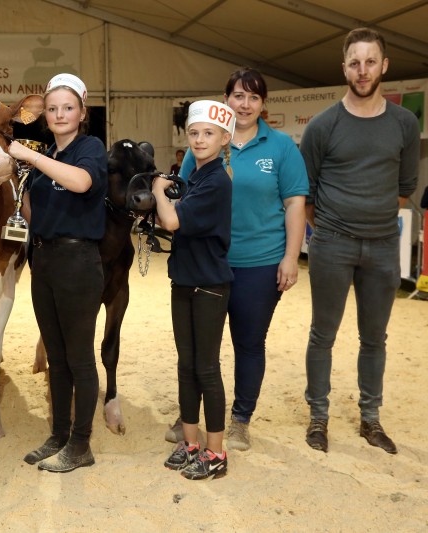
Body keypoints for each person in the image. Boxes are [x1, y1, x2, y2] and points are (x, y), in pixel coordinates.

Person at [175, 68, 308, 451]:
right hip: (207, 263)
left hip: (259, 263)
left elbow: (295, 204)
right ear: (226, 100)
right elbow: (184, 196)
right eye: (237, 95)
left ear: (263, 103)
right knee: (202, 347)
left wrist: (290, 258)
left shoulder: (282, 147)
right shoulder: (204, 144)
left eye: (253, 97)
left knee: (248, 343)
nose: (244, 103)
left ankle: (240, 421)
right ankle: (192, 415)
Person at [300, 27, 419, 455]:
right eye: (355, 62)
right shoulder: (322, 125)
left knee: (375, 338)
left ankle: (371, 419)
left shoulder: (405, 123)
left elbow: (405, 186)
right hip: (333, 243)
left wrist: (372, 220)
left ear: (384, 66)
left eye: (371, 61)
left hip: (384, 244)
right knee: (323, 334)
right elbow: (306, 192)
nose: (363, 70)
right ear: (344, 67)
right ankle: (318, 418)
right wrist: (335, 227)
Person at [8, 73, 107, 473]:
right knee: (56, 357)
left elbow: (82, 183)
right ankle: (59, 433)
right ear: (44, 116)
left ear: (82, 112)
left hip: (79, 262)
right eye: (52, 109)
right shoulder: (50, 153)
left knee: (80, 357)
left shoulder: (89, 148)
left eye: (68, 107)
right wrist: (17, 185)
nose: (60, 114)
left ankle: (81, 443)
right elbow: (36, 216)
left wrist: (32, 159)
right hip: (44, 259)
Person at [153, 99, 233, 480]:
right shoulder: (197, 176)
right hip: (184, 280)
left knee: (206, 367)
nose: (200, 140)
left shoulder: (216, 180)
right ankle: (191, 443)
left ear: (224, 138)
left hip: (209, 285)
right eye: (195, 133)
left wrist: (157, 190)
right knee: (186, 365)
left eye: (209, 134)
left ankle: (216, 453)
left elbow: (170, 220)